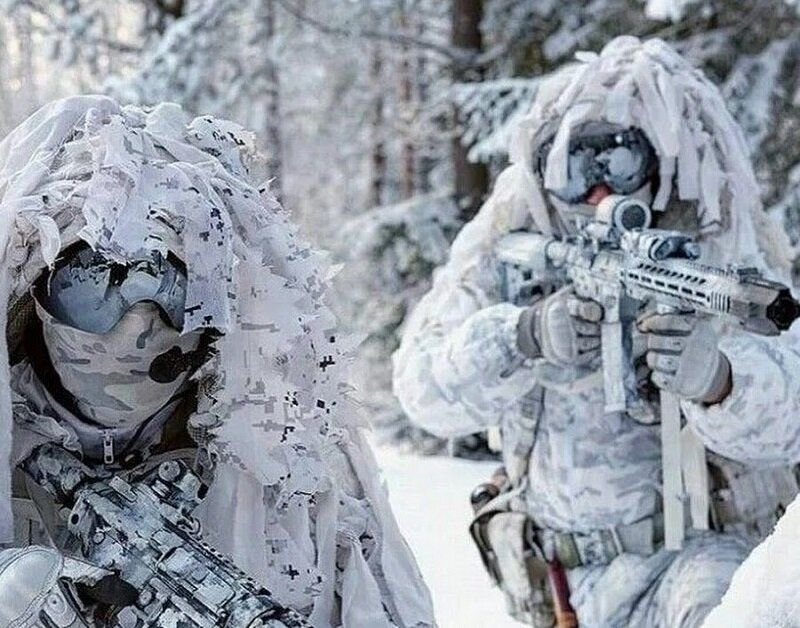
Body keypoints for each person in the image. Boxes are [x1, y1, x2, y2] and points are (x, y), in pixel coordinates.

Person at [393, 36, 800, 627]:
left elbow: (793, 412)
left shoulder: (710, 255)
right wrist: (520, 336)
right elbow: (421, 390)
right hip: (559, 589)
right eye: (573, 167)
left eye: (620, 160)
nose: (599, 189)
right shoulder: (506, 251)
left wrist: (721, 381)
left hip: (692, 563)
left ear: (659, 161)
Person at [0, 95, 434, 627]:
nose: (137, 326)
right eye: (92, 282)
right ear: (34, 294)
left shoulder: (282, 470)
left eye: (175, 288)